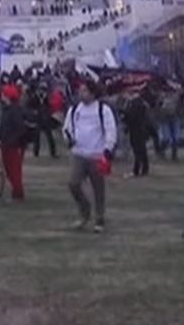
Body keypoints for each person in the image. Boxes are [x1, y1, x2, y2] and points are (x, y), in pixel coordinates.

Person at [63, 80, 116, 232]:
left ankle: (99, 219)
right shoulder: (74, 110)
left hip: (97, 155)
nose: (81, 94)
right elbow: (67, 127)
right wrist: (69, 139)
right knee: (73, 184)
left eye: (85, 91)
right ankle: (84, 212)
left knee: (98, 189)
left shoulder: (103, 110)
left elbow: (110, 130)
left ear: (93, 93)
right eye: (80, 91)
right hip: (79, 153)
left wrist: (108, 149)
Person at [0, 87, 28, 200]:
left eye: (3, 95)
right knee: (9, 169)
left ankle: (18, 192)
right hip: (7, 143)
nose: (2, 97)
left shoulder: (14, 111)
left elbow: (20, 128)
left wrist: (12, 140)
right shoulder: (7, 110)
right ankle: (16, 190)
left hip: (13, 145)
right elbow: (3, 127)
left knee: (14, 170)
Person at [122, 91, 150, 177]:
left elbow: (132, 117)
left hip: (136, 129)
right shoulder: (142, 103)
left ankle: (137, 169)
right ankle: (144, 168)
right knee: (142, 149)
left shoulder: (135, 104)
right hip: (141, 129)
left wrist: (124, 116)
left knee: (138, 150)